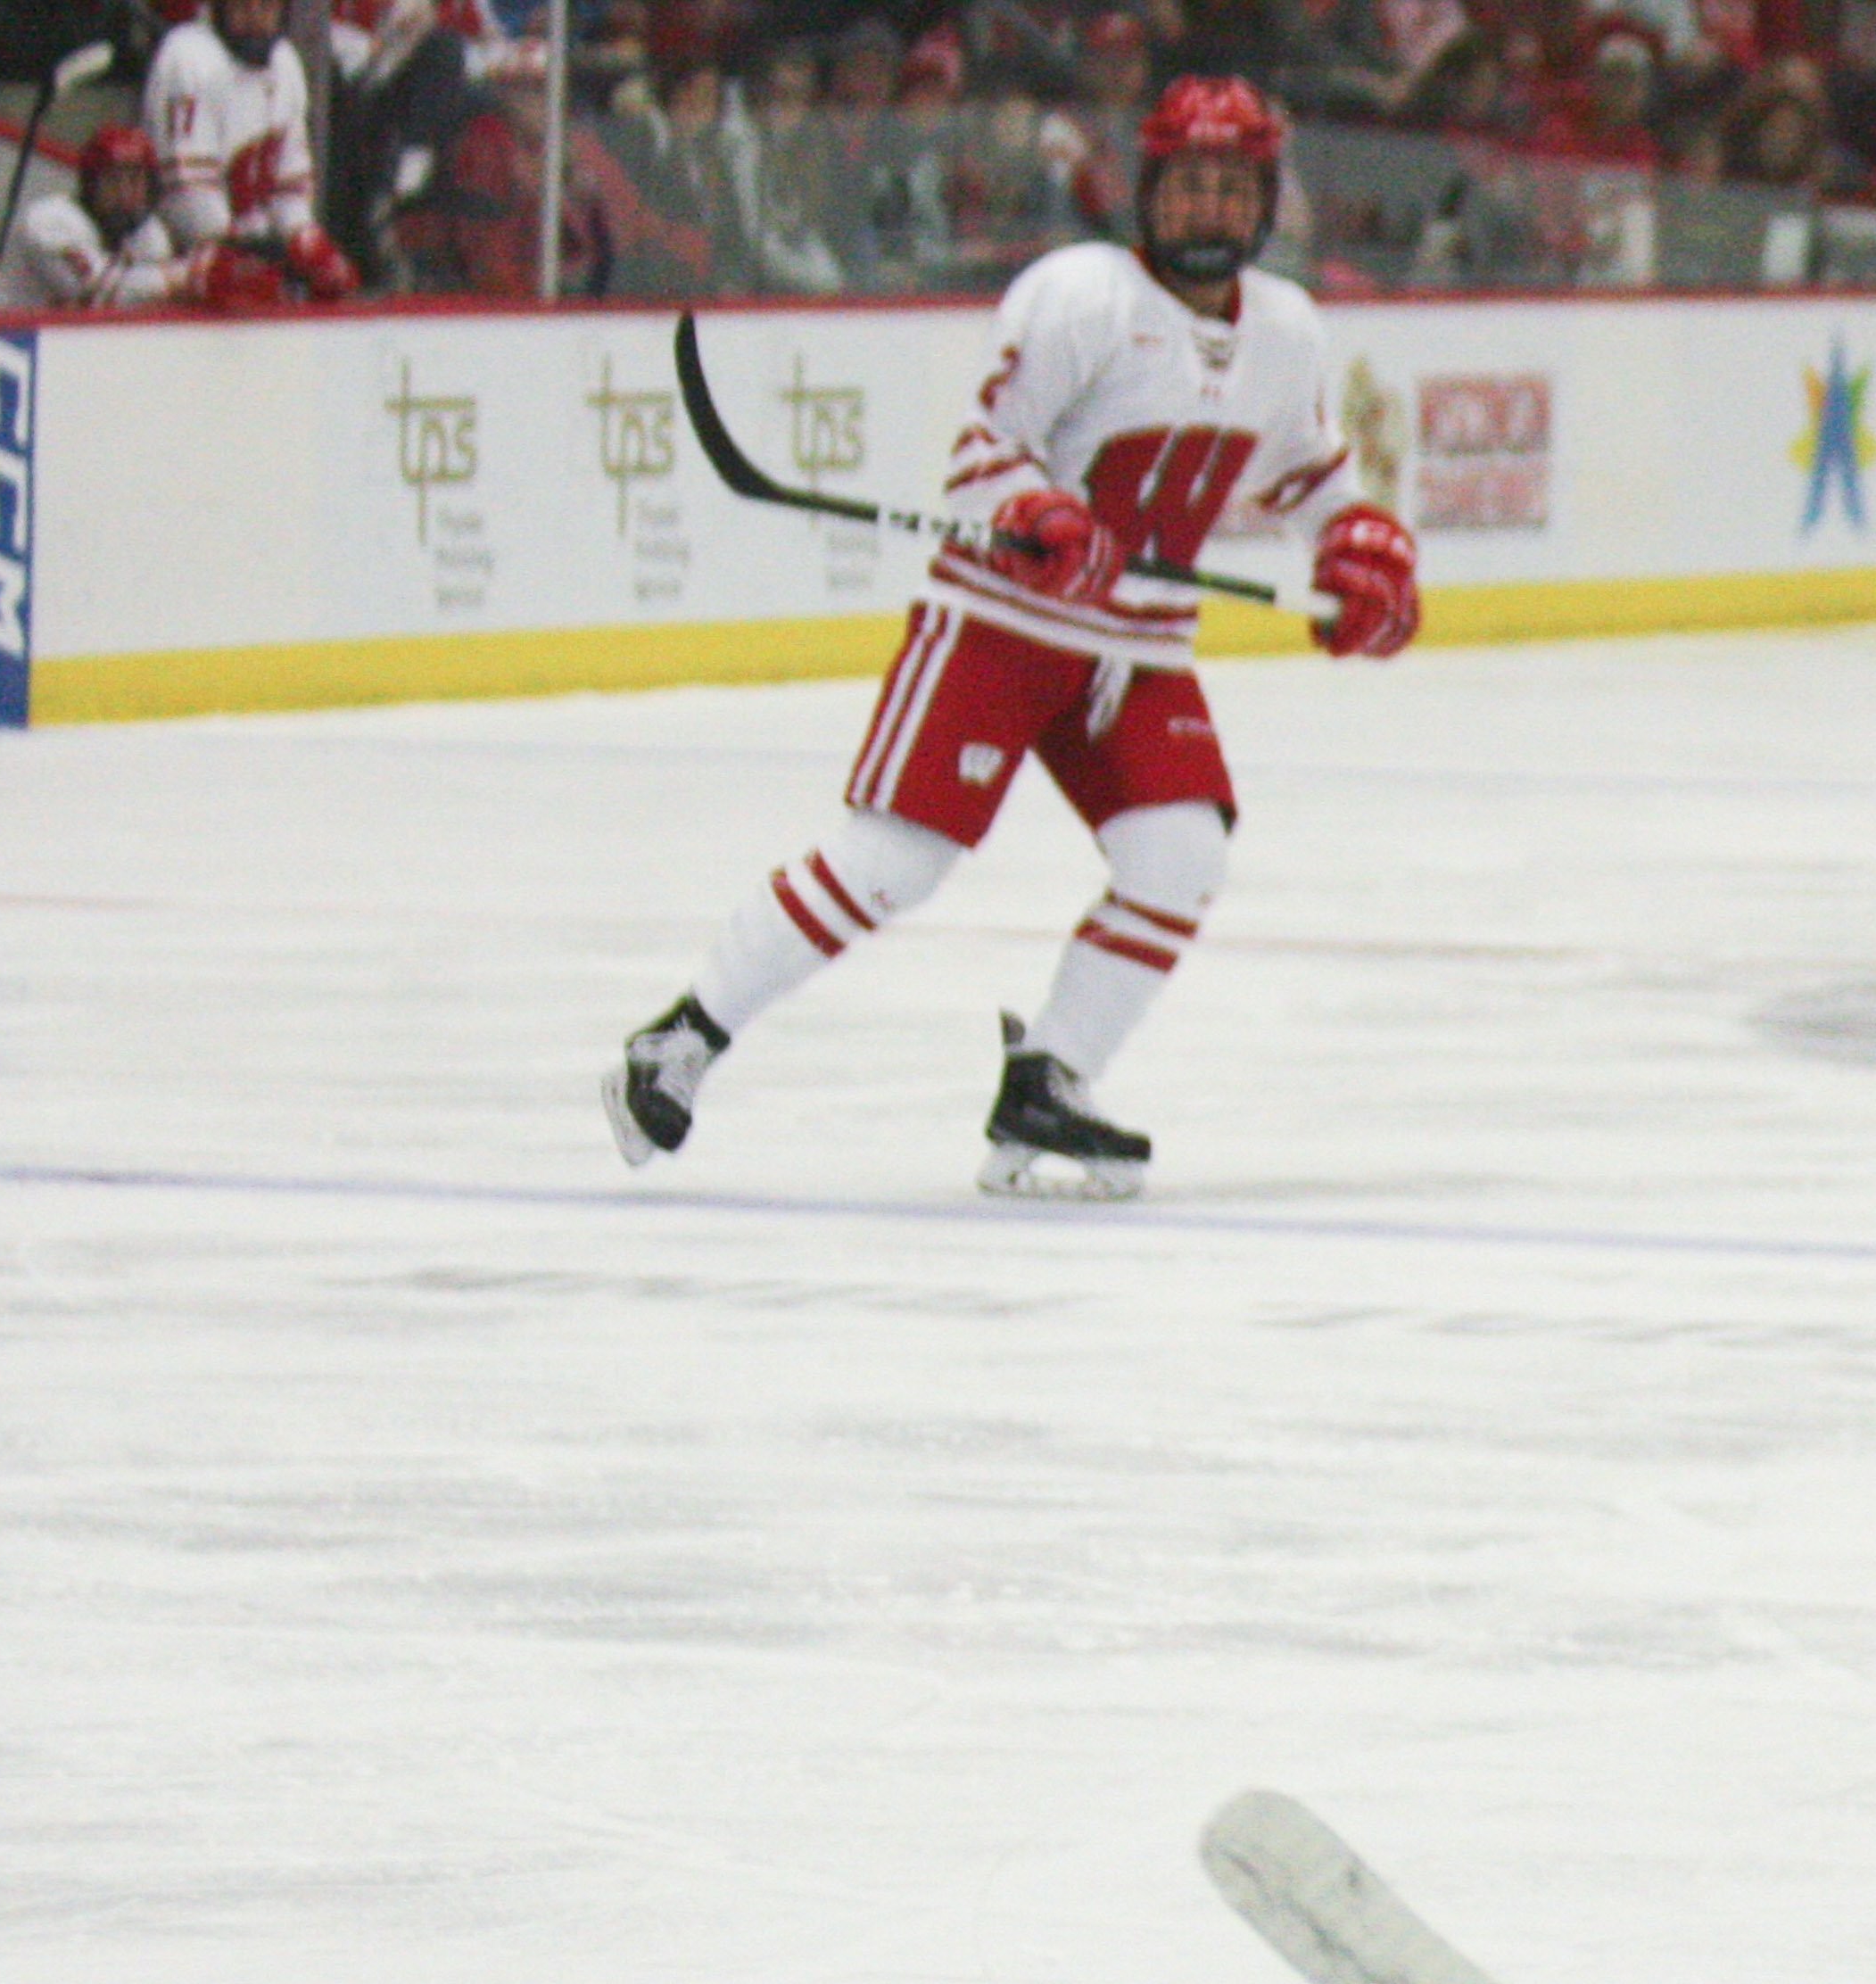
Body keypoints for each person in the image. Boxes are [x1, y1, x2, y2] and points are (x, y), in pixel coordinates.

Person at [602, 78, 1426, 1203]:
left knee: (1181, 856)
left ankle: (1050, 1077)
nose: (1211, 208)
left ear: (1268, 200)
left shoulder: (1284, 330)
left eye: (1234, 188)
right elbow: (987, 452)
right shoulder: (1079, 298)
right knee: (896, 862)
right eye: (1190, 184)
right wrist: (1041, 511)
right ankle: (683, 1039)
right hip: (1003, 625)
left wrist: (1366, 553)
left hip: (1135, 650)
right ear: (1148, 189)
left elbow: (1315, 480)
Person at [148, 0, 362, 300]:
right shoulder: (188, 55)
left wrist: (305, 241)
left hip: (254, 249)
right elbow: (187, 196)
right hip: (181, 256)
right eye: (242, 7)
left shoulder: (284, 60)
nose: (255, 18)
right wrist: (244, 255)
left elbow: (291, 181)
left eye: (266, 7)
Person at [0, 120, 199, 310]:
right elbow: (101, 295)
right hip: (1, 332)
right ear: (91, 185)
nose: (124, 193)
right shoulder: (50, 221)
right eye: (112, 180)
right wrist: (188, 276)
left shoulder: (149, 234)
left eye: (135, 180)